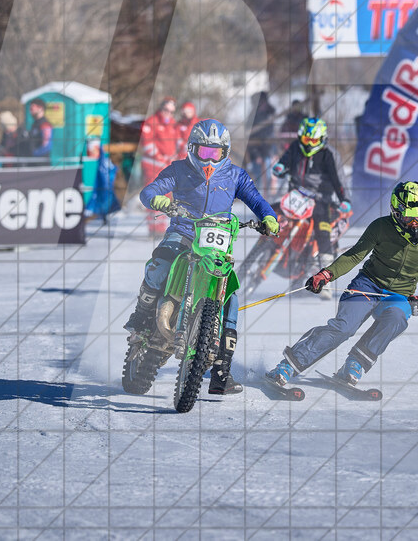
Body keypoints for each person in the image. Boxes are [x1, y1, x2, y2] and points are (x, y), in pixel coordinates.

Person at [127, 119, 279, 395]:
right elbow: (149, 191)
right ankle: (141, 317)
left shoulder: (236, 176)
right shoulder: (179, 170)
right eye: (203, 152)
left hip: (217, 241)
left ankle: (222, 368)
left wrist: (268, 217)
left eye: (215, 153)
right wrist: (159, 200)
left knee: (230, 293)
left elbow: (256, 200)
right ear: (192, 149)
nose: (209, 159)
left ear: (225, 152)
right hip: (183, 232)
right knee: (160, 265)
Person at [265, 181, 418, 389]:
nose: (415, 223)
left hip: (399, 296)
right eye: (409, 217)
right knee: (344, 328)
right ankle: (288, 365)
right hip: (367, 285)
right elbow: (354, 256)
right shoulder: (380, 227)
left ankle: (355, 364)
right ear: (396, 214)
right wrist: (326, 274)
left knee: (396, 318)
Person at [271, 117, 352, 282]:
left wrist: (345, 199)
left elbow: (339, 180)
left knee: (322, 232)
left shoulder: (330, 154)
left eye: (313, 140)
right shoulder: (295, 147)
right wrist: (280, 167)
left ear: (321, 139)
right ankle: (266, 247)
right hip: (295, 195)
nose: (309, 144)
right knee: (270, 212)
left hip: (320, 201)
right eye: (306, 139)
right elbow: (284, 162)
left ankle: (326, 278)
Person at [138, 97, 182, 236]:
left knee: (166, 197)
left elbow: (178, 143)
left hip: (166, 166)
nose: (168, 114)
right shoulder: (151, 122)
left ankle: (161, 227)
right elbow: (147, 144)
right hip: (152, 166)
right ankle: (153, 229)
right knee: (153, 195)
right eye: (166, 110)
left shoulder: (173, 124)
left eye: (171, 112)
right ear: (161, 108)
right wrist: (160, 157)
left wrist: (176, 157)